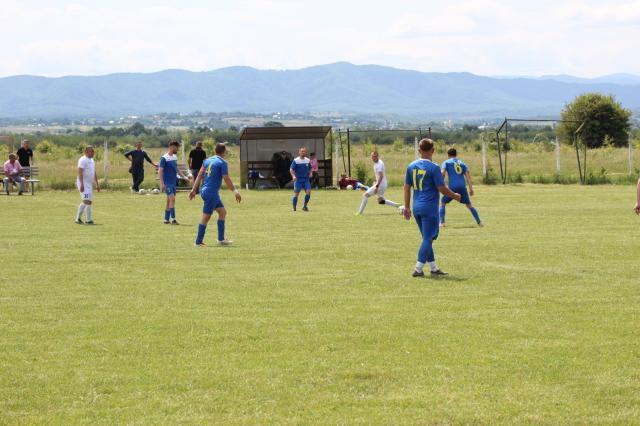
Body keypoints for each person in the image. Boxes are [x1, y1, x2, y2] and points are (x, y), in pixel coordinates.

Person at [403, 139, 461, 277]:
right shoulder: (434, 168)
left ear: (419, 151)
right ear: (433, 150)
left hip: (416, 207)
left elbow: (406, 187)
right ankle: (418, 269)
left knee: (426, 238)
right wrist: (455, 196)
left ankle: (434, 268)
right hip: (429, 208)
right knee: (428, 239)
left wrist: (406, 207)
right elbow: (442, 188)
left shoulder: (411, 166)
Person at [189, 143, 242, 246]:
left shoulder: (207, 161)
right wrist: (236, 192)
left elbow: (199, 175)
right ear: (224, 151)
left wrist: (193, 189)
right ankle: (198, 242)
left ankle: (221, 239)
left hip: (206, 191)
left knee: (222, 212)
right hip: (211, 193)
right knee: (206, 217)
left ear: (215, 150)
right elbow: (226, 178)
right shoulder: (222, 162)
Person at [439, 148, 483, 227]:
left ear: (448, 155)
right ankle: (479, 222)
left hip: (452, 187)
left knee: (443, 203)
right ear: (456, 154)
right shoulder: (462, 163)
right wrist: (471, 189)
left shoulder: (446, 162)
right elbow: (468, 177)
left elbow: (442, 173)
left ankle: (442, 223)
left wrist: (440, 183)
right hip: (462, 187)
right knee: (469, 205)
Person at [356, 151, 401, 215]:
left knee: (365, 195)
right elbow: (377, 176)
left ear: (378, 156)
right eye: (372, 156)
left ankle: (360, 213)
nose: (373, 158)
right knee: (381, 201)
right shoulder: (376, 163)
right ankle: (397, 205)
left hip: (380, 185)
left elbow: (381, 176)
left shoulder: (379, 164)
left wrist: (377, 186)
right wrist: (375, 182)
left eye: (374, 156)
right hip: (382, 184)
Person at [159, 140, 190, 224]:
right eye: (177, 148)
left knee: (169, 200)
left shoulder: (174, 157)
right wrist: (162, 184)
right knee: (172, 199)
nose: (178, 149)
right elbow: (160, 171)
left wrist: (184, 177)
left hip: (173, 182)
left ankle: (166, 219)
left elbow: (176, 169)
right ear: (172, 147)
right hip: (167, 183)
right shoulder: (164, 158)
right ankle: (173, 219)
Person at [75, 146, 100, 224]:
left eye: (93, 151)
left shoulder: (92, 160)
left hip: (89, 183)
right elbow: (80, 172)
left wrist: (97, 183)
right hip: (83, 183)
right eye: (91, 151)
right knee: (86, 201)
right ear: (86, 152)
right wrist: (82, 184)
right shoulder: (83, 160)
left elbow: (93, 172)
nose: (93, 153)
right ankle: (77, 219)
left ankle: (88, 220)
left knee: (89, 202)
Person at [290, 147, 312, 211]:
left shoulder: (308, 160)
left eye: (304, 151)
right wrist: (293, 176)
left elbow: (310, 168)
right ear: (299, 152)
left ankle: (305, 206)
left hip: (306, 179)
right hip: (298, 180)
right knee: (296, 194)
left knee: (308, 192)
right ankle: (294, 208)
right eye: (302, 151)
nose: (303, 152)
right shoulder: (296, 160)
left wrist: (310, 173)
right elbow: (291, 169)